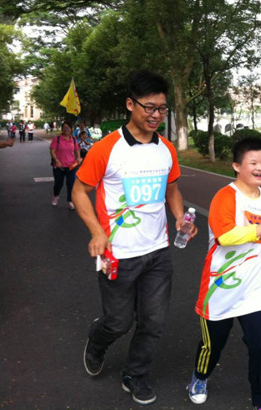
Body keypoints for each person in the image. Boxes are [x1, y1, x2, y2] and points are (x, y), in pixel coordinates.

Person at [71, 70, 198, 406]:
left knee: (153, 322)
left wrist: (179, 217)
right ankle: (98, 339)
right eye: (149, 107)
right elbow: (79, 191)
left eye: (162, 109)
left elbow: (172, 189)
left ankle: (135, 375)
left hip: (158, 252)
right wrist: (97, 231)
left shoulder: (166, 149)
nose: (156, 115)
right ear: (130, 104)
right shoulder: (106, 148)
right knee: (118, 321)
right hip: (118, 253)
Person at [187, 137, 261, 410]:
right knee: (212, 345)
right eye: (253, 163)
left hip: (256, 286)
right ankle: (199, 377)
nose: (260, 168)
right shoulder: (225, 196)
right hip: (221, 286)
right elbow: (225, 236)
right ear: (237, 166)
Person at [50, 121, 81, 209]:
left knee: (71, 184)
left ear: (71, 129)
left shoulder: (73, 139)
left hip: (71, 166)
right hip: (59, 166)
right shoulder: (57, 139)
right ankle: (56, 196)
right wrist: (57, 160)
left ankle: (70, 201)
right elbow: (52, 151)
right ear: (61, 129)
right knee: (58, 184)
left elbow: (77, 149)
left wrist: (78, 158)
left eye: (68, 127)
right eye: (64, 127)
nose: (66, 129)